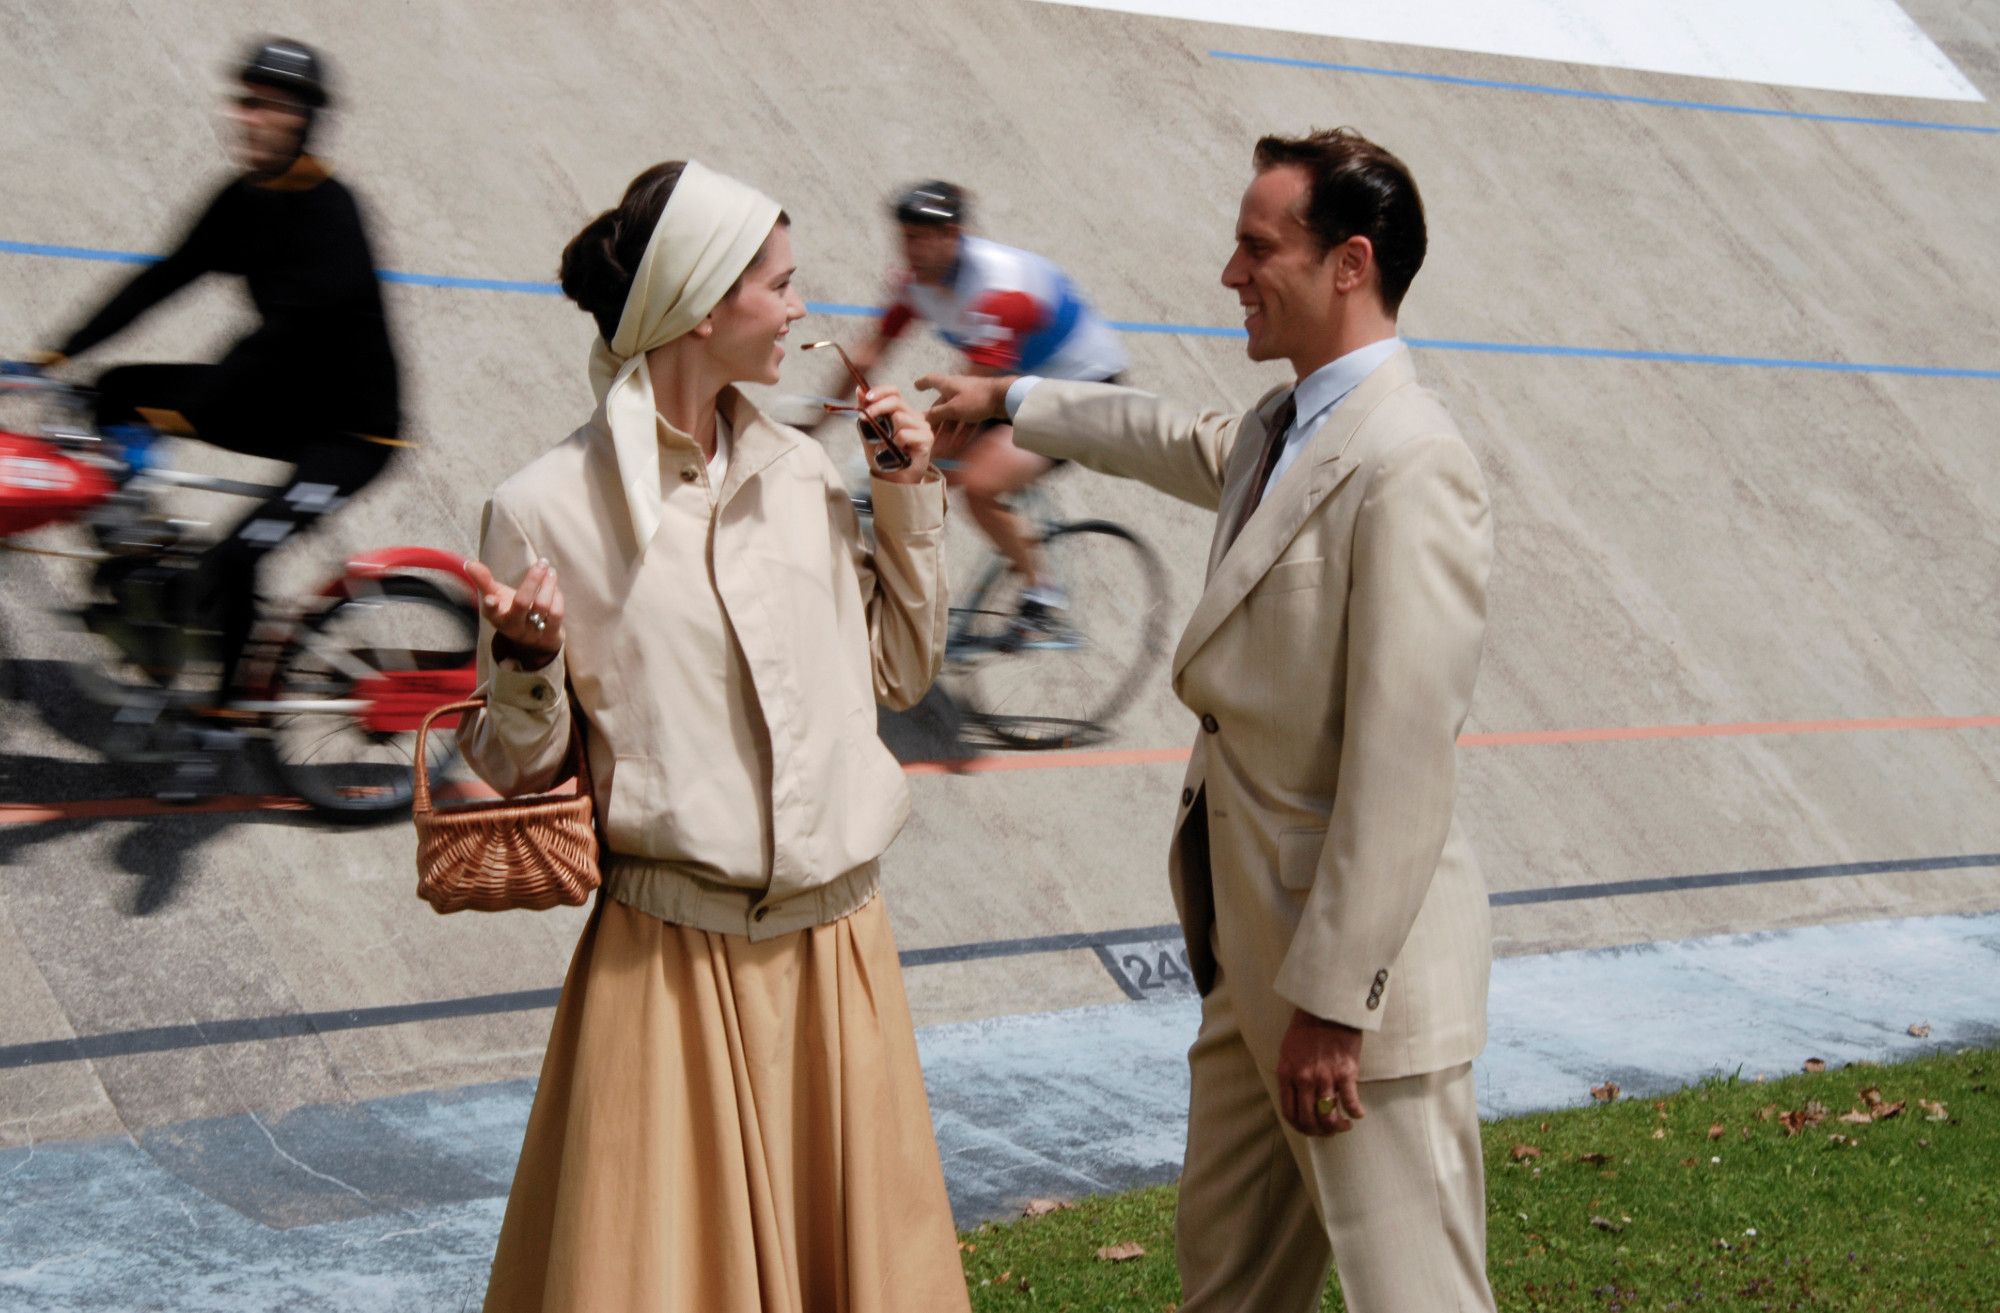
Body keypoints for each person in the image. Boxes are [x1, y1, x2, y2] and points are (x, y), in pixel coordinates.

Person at [922, 129, 1497, 1312]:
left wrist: (1334, 1005)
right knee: (1227, 1284)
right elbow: (1169, 439)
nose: (1229, 272)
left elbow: (1401, 762)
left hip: (1351, 993)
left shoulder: (1411, 462)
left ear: (1347, 263)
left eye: (1255, 245)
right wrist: (1005, 397)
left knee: (1418, 1295)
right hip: (1248, 961)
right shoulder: (1281, 432)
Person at [456, 159, 968, 1313]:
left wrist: (903, 497)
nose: (799, 310)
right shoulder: (542, 507)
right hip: (667, 975)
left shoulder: (801, 473)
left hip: (839, 957)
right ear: (698, 299)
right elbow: (518, 770)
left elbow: (895, 670)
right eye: (780, 285)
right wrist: (526, 665)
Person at [15, 37, 401, 714]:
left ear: (304, 119)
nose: (250, 117)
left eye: (271, 106)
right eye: (246, 101)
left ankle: (227, 715)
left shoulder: (332, 214)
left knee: (238, 556)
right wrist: (56, 356)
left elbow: (276, 345)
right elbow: (165, 278)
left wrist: (183, 409)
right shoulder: (243, 197)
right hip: (280, 400)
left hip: (353, 434)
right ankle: (149, 562)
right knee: (112, 394)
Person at [835, 181, 1126, 638]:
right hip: (1015, 381)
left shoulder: (997, 292)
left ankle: (1043, 593)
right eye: (904, 236)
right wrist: (813, 416)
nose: (908, 249)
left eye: (920, 238)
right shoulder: (917, 282)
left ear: (953, 237)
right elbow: (870, 351)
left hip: (1082, 390)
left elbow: (962, 402)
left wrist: (907, 465)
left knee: (975, 485)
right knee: (919, 475)